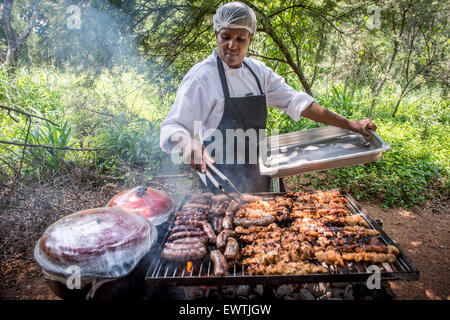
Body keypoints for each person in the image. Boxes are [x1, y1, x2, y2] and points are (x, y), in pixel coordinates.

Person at [160, 1, 376, 193]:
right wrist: (188, 144)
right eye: (225, 37)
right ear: (216, 33)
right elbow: (173, 126)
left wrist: (349, 124)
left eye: (240, 39)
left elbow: (299, 103)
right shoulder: (202, 77)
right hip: (223, 182)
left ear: (250, 38)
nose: (232, 45)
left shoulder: (257, 72)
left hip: (260, 170)